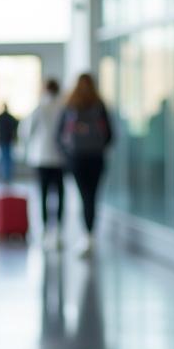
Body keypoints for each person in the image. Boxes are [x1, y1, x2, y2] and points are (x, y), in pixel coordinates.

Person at [57, 74, 112, 257]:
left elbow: (59, 135)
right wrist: (99, 147)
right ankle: (90, 235)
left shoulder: (70, 105)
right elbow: (110, 135)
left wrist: (68, 152)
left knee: (84, 196)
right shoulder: (99, 105)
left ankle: (86, 237)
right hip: (96, 158)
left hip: (77, 158)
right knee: (92, 197)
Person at [20, 78, 66, 247]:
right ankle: (59, 231)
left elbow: (27, 131)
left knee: (44, 194)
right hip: (60, 158)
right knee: (60, 194)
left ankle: (46, 230)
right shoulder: (63, 107)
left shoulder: (40, 107)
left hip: (41, 158)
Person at [0, 102, 19, 184]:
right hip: (8, 140)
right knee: (7, 159)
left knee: (3, 159)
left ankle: (4, 176)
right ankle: (7, 177)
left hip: (3, 140)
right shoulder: (11, 118)